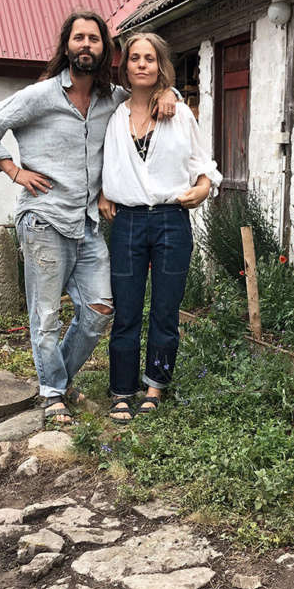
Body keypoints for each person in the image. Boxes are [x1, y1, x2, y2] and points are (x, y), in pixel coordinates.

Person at [0, 11, 177, 423]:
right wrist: (13, 170)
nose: (86, 45)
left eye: (94, 39)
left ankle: (57, 382)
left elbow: (144, 92)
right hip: (44, 220)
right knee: (45, 315)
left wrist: (166, 91)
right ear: (67, 46)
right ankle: (52, 395)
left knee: (100, 310)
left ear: (105, 50)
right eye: (79, 38)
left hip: (87, 224)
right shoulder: (40, 95)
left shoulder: (110, 100)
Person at [99, 32, 221, 423]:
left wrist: (202, 190)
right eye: (134, 58)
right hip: (128, 222)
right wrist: (103, 192)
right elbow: (101, 163)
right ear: (125, 66)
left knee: (166, 310)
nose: (141, 64)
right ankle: (122, 388)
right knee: (126, 310)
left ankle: (155, 385)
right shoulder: (113, 116)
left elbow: (205, 165)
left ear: (159, 65)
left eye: (149, 58)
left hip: (171, 220)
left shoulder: (179, 113)